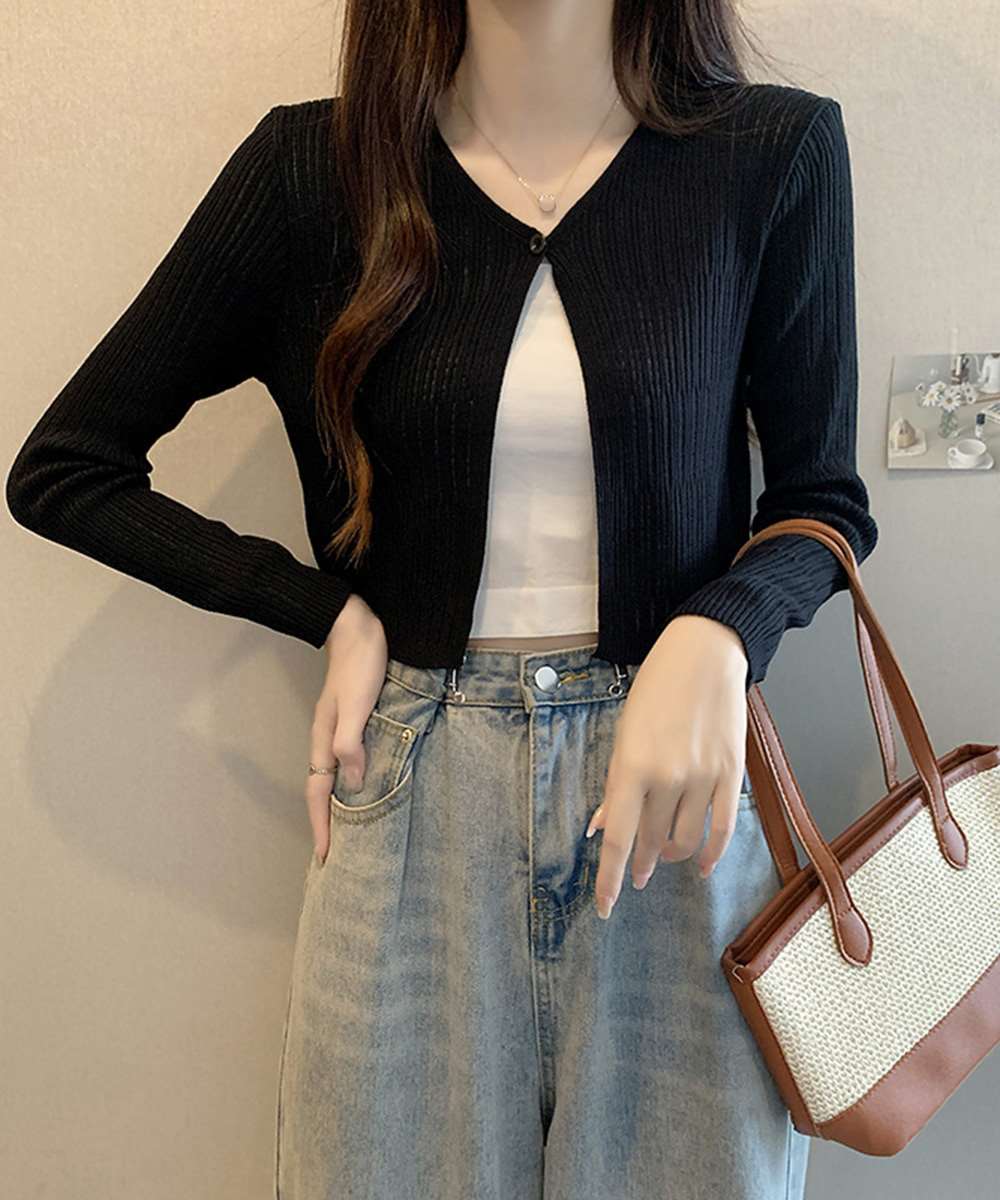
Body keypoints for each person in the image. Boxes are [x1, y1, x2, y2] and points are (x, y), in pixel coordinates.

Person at [5, 1, 879, 1196]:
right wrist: (328, 611)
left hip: (676, 814)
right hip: (413, 793)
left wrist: (719, 629)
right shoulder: (313, 173)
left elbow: (822, 502)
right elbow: (67, 469)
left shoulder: (769, 155)